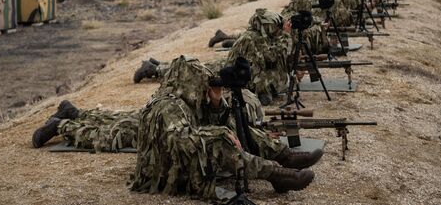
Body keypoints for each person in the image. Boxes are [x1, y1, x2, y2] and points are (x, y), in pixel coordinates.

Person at [129, 55, 319, 200]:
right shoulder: (168, 105)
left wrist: (216, 104)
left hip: (183, 162)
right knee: (221, 138)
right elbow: (181, 142)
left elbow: (211, 124)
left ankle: (283, 156)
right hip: (166, 173)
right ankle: (276, 175)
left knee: (233, 127)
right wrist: (220, 134)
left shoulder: (186, 101)